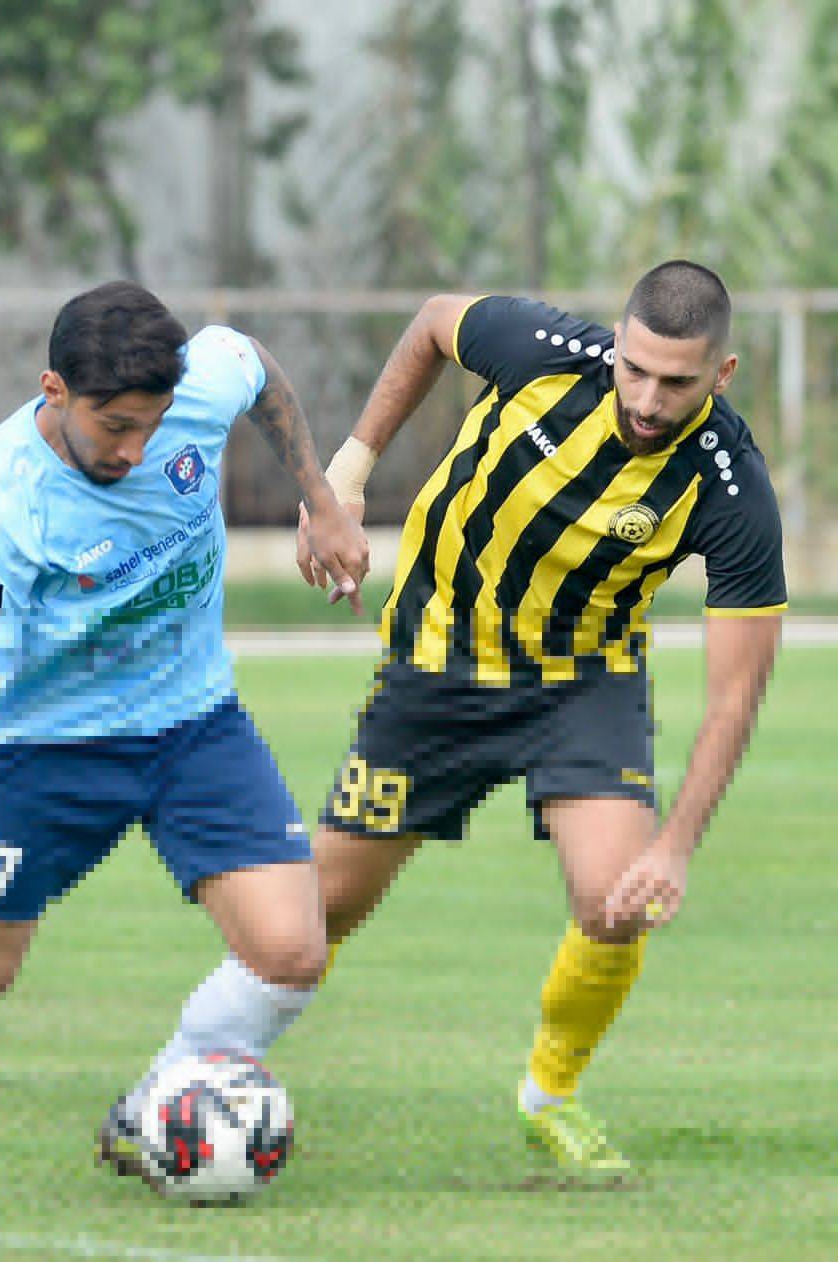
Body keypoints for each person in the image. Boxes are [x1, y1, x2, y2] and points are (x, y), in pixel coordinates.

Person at [0, 281, 370, 1192]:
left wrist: (322, 500)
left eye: (152, 425)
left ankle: (149, 1111)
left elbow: (255, 369)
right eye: (114, 427)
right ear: (55, 392)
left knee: (292, 950)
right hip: (45, 752)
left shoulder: (199, 388)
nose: (136, 450)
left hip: (194, 726)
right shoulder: (5, 503)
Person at [304, 261, 784, 1177]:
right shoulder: (544, 351)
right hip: (439, 665)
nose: (646, 398)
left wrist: (675, 845)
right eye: (635, 369)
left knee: (617, 901)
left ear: (720, 376)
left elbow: (737, 690)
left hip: (581, 683)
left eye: (677, 382)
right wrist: (348, 474)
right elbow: (433, 321)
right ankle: (210, 1068)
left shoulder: (729, 482)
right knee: (314, 915)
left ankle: (550, 1094)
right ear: (620, 341)